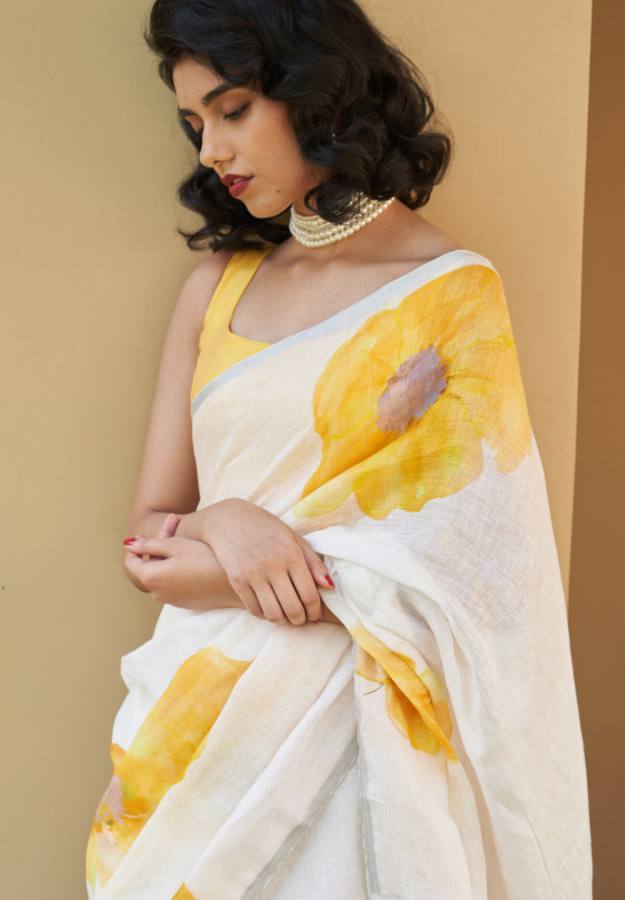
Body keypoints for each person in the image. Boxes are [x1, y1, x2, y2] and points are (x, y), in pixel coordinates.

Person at [85, 1, 593, 898]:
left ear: (314, 91)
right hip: (192, 741)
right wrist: (230, 523)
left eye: (233, 109)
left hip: (362, 751)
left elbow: (484, 585)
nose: (211, 150)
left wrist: (257, 573)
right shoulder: (215, 288)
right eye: (194, 123)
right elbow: (149, 543)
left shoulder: (449, 295)